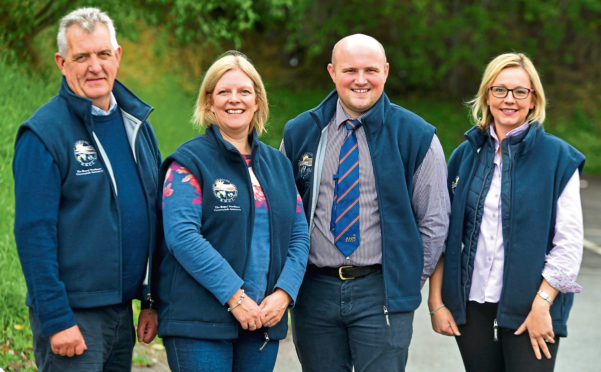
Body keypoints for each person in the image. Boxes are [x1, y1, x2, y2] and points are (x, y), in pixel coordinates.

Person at [280, 34, 450, 372]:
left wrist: (404, 281)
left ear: (386, 72)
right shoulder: (301, 132)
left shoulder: (417, 137)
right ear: (332, 72)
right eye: (350, 70)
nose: (360, 80)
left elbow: (434, 223)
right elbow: (284, 214)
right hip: (314, 293)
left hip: (381, 291)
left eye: (370, 69)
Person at [12, 7, 162, 372]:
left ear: (118, 56)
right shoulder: (44, 134)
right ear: (62, 63)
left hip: (121, 313)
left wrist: (150, 298)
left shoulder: (136, 126)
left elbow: (154, 216)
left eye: (103, 54)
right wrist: (57, 318)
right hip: (73, 316)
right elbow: (34, 234)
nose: (95, 66)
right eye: (82, 57)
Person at [428, 52, 585, 372]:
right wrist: (436, 302)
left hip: (533, 307)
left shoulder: (557, 158)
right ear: (487, 95)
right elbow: (442, 234)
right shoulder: (465, 155)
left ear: (533, 99)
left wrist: (543, 304)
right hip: (472, 309)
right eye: (500, 90)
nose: (509, 99)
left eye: (519, 91)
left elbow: (568, 243)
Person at [157, 51, 310, 372]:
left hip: (262, 323)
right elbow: (182, 237)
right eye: (224, 92)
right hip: (199, 324)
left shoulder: (279, 165)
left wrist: (284, 294)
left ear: (257, 101)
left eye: (244, 91)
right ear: (209, 102)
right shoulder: (189, 162)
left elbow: (298, 235)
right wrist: (235, 297)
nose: (234, 100)